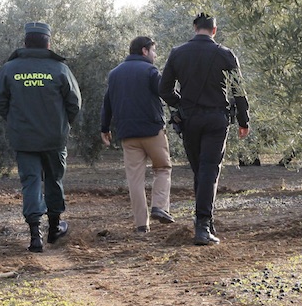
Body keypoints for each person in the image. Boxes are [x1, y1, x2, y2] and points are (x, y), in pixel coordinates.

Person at [159, 13, 250, 245]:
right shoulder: (225, 54)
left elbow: (164, 89)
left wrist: (180, 103)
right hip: (216, 120)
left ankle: (204, 222)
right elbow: (238, 91)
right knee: (209, 170)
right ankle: (203, 225)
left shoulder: (177, 53)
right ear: (214, 30)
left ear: (194, 28)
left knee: (201, 170)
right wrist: (243, 120)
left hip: (190, 120)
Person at [0, 22, 82, 253]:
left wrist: (16, 122)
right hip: (54, 138)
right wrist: (63, 124)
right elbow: (75, 103)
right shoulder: (60, 69)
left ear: (25, 42)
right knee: (54, 180)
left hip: (24, 139)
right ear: (48, 43)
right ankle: (53, 229)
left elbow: (0, 102)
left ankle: (35, 236)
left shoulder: (10, 68)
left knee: (31, 182)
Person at [100, 36, 174, 233]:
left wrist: (104, 128)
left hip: (128, 134)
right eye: (153, 50)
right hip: (152, 131)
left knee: (135, 180)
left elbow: (107, 102)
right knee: (163, 168)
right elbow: (164, 92)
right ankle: (159, 206)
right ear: (144, 51)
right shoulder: (150, 71)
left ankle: (142, 224)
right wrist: (183, 104)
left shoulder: (114, 74)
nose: (155, 55)